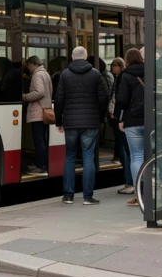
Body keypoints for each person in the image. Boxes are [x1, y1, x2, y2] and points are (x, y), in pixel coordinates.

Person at [53, 46, 109, 205]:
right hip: (90, 122)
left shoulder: (64, 75)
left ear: (72, 57)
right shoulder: (96, 74)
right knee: (88, 157)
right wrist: (100, 118)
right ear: (85, 57)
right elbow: (103, 98)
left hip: (70, 122)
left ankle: (68, 195)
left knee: (70, 156)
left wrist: (59, 120)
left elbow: (59, 99)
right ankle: (88, 196)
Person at [116, 48, 146, 207]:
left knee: (136, 156)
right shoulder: (151, 71)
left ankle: (138, 194)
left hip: (132, 121)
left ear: (126, 60)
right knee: (152, 155)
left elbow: (121, 99)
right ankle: (153, 191)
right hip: (150, 119)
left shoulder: (125, 75)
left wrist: (120, 118)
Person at [22, 56, 52, 175]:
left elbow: (39, 92)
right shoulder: (45, 74)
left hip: (37, 112)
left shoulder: (37, 75)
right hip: (44, 110)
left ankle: (41, 166)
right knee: (42, 140)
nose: (28, 68)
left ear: (32, 64)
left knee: (38, 140)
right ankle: (42, 164)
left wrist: (25, 96)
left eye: (28, 65)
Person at [107, 57, 133, 194]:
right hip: (128, 118)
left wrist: (115, 113)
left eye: (114, 66)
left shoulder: (123, 78)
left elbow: (119, 99)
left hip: (122, 118)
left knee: (126, 149)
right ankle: (133, 182)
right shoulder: (129, 77)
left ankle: (130, 182)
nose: (112, 68)